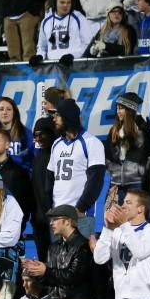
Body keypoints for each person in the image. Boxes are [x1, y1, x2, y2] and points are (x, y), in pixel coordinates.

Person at [95, 190, 150, 299]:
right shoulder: (118, 231)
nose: (123, 206)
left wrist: (124, 225)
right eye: (123, 202)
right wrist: (108, 229)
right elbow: (99, 258)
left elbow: (140, 252)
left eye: (128, 203)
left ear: (141, 209)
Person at [44, 99, 106, 239]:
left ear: (68, 116)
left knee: (80, 259)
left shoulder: (91, 143)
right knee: (57, 259)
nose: (54, 119)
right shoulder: (56, 144)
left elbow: (96, 180)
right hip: (57, 216)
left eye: (58, 115)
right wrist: (49, 208)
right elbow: (49, 179)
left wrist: (81, 208)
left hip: (79, 217)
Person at [104, 92, 150, 203]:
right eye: (117, 108)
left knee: (133, 217)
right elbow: (106, 155)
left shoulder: (142, 131)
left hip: (136, 183)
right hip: (116, 184)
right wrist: (112, 169)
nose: (118, 111)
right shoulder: (114, 131)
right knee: (113, 217)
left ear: (130, 110)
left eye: (121, 108)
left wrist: (140, 171)